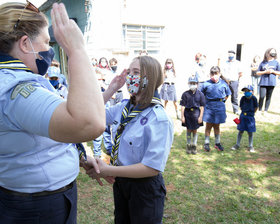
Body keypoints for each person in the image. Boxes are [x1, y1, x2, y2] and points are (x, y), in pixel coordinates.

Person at [0, 2, 106, 223]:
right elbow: (89, 123)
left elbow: (38, 135)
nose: (49, 50)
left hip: (36, 200)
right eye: (47, 42)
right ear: (25, 43)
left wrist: (80, 155)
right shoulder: (18, 91)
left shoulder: (14, 82)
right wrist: (77, 50)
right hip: (39, 208)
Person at [86, 56, 174, 224]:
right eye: (129, 72)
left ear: (150, 78)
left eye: (136, 72)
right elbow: (91, 115)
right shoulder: (124, 108)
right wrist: (111, 89)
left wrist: (110, 170)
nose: (130, 77)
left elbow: (152, 168)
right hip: (122, 184)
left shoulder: (159, 118)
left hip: (145, 189)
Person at [201, 66, 231, 152]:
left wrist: (222, 101)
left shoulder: (224, 84)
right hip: (209, 107)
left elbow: (227, 94)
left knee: (217, 126)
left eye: (216, 74)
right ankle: (206, 143)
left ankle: (217, 143)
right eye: (212, 74)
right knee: (208, 126)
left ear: (219, 74)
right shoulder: (206, 84)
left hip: (219, 107)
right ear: (210, 74)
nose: (214, 76)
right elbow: (201, 95)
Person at [92, 56, 114, 157]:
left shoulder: (105, 85)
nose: (99, 80)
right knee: (97, 131)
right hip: (96, 111)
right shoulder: (91, 87)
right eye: (97, 79)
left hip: (106, 109)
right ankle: (97, 152)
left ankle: (109, 148)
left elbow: (112, 96)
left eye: (100, 78)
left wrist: (103, 86)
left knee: (106, 130)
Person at [180, 75, 205, 154]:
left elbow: (202, 106)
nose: (192, 85)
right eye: (191, 83)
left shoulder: (200, 94)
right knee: (188, 129)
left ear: (197, 84)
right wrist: (182, 116)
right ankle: (188, 144)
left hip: (196, 114)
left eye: (194, 83)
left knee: (195, 130)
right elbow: (182, 106)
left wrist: (200, 117)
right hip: (187, 113)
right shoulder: (185, 94)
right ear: (188, 84)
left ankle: (194, 145)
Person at [231, 85, 258, 152]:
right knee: (241, 131)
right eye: (245, 91)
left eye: (248, 91)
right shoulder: (243, 98)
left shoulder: (254, 98)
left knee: (250, 132)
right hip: (243, 116)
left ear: (252, 91)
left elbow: (256, 107)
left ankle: (250, 146)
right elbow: (241, 106)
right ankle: (237, 144)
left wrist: (251, 113)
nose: (246, 92)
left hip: (250, 117)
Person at [256, 48, 280, 114]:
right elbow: (258, 72)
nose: (273, 54)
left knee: (268, 97)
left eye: (274, 52)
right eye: (271, 52)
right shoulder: (263, 62)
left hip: (271, 82)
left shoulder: (276, 62)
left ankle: (265, 110)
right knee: (262, 96)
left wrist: (273, 71)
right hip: (263, 82)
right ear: (267, 53)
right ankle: (259, 109)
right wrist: (265, 72)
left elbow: (279, 72)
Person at [221, 50, 243, 115]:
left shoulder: (238, 63)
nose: (230, 56)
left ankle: (236, 110)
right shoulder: (224, 63)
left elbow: (240, 73)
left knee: (234, 96)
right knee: (224, 95)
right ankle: (220, 108)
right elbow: (221, 72)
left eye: (231, 55)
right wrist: (225, 80)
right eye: (229, 55)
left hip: (234, 81)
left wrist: (236, 79)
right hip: (225, 81)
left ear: (234, 55)